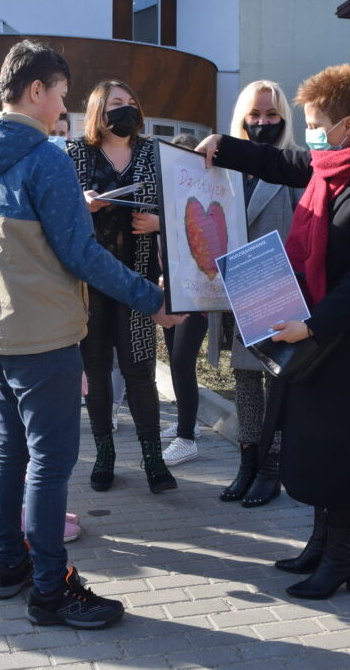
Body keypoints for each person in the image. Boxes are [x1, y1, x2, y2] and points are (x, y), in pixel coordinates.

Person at [0, 39, 184, 629]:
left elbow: (14, 240)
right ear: (36, 91)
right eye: (60, 96)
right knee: (50, 463)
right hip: (45, 338)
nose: (64, 111)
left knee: (8, 451)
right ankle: (52, 589)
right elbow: (82, 256)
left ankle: (9, 563)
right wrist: (153, 300)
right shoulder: (49, 158)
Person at [197, 64, 350, 600]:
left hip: (342, 332)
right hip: (307, 322)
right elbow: (279, 160)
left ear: (349, 125)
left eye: (317, 124)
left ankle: (341, 557)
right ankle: (320, 543)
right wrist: (223, 146)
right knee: (311, 436)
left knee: (339, 443)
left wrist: (310, 327)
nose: (310, 134)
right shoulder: (331, 163)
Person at [66, 80, 175, 495]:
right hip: (91, 285)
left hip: (139, 280)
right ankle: (104, 454)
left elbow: (181, 202)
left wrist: (159, 222)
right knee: (94, 372)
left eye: (131, 103)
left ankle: (153, 459)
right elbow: (59, 212)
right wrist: (84, 203)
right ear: (98, 111)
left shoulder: (152, 152)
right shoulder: (77, 153)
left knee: (140, 371)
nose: (126, 110)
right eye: (116, 104)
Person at [210, 81, 302, 506]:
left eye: (271, 115)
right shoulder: (221, 166)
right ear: (241, 118)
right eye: (255, 115)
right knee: (244, 379)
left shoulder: (293, 166)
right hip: (231, 286)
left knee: (277, 379)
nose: (262, 122)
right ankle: (248, 460)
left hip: (274, 287)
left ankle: (273, 465)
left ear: (283, 118)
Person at [158, 132, 209, 467]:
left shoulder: (205, 192)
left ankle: (187, 439)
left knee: (181, 361)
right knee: (176, 359)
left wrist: (159, 223)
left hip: (196, 292)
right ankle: (185, 423)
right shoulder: (168, 190)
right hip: (169, 290)